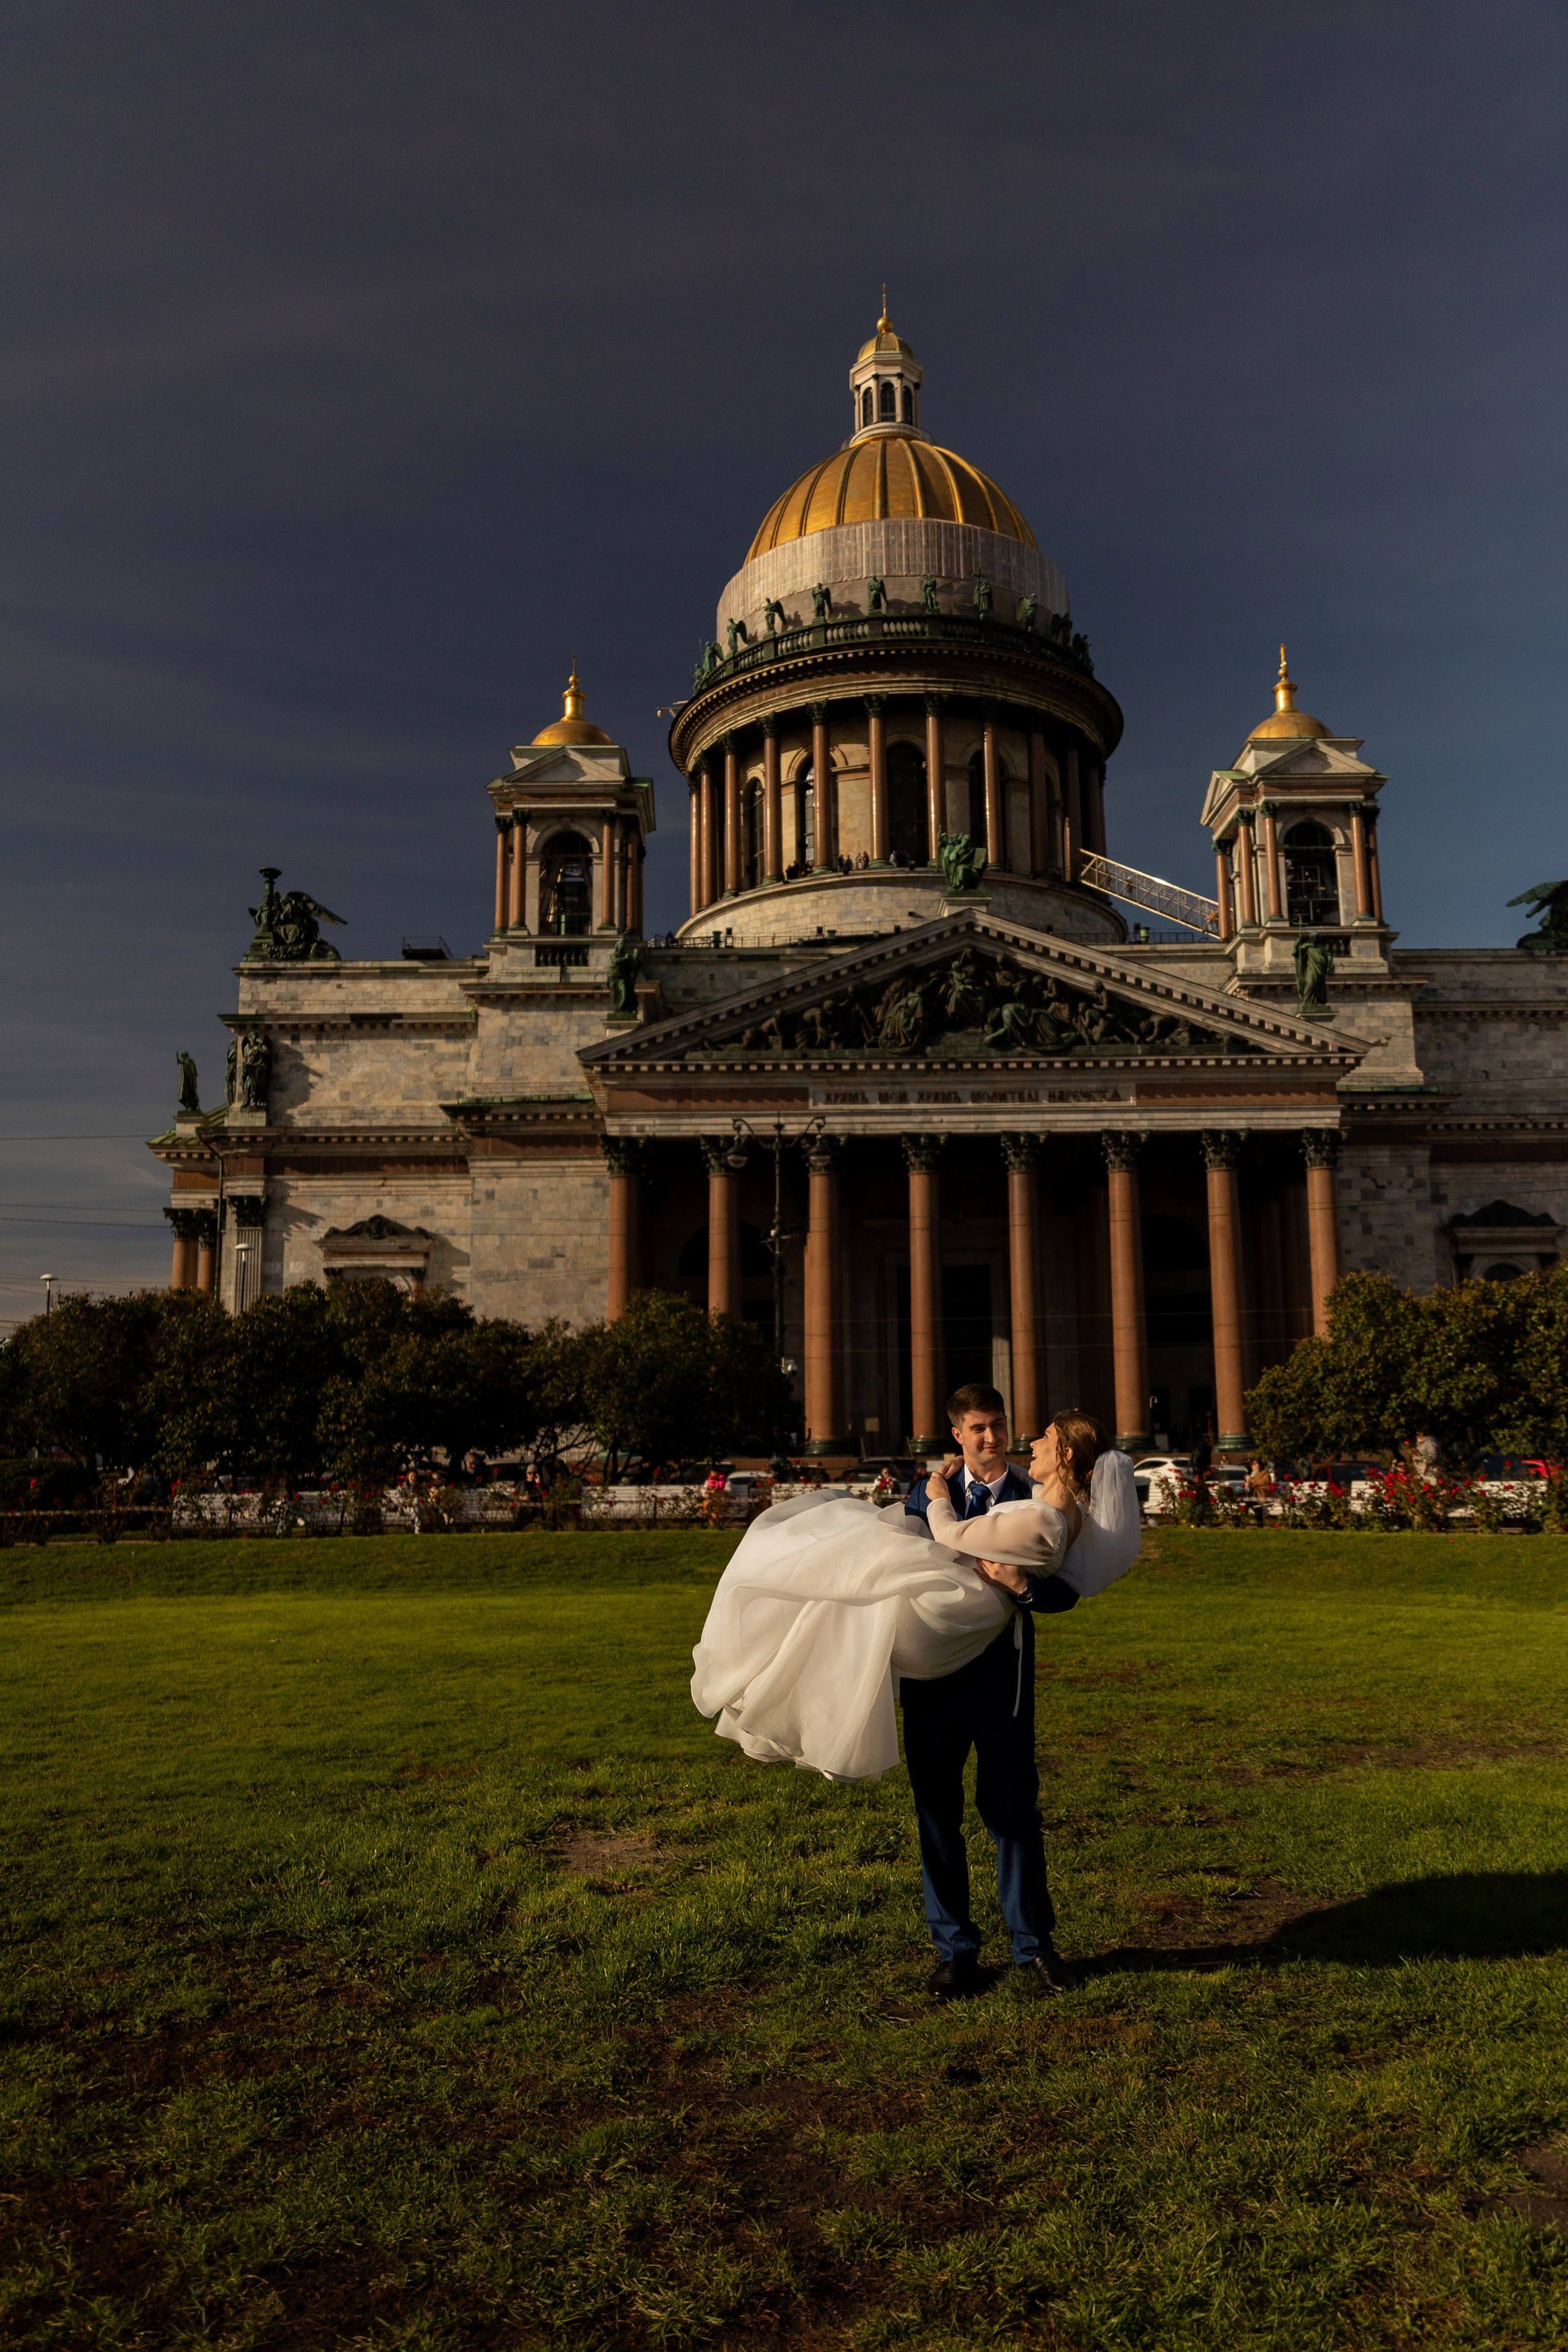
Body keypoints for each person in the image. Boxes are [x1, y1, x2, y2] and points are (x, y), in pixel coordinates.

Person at [690, 1387, 1139, 2003]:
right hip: (932, 1682)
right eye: (978, 1427)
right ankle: (954, 1953)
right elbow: (883, 1562)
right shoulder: (928, 1493)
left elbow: (1066, 1586)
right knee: (937, 1813)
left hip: (1000, 1678)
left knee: (1013, 1813)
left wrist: (1026, 1592)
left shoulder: (1037, 1497)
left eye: (999, 1425)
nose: (991, 1437)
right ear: (956, 1434)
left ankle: (1034, 1947)